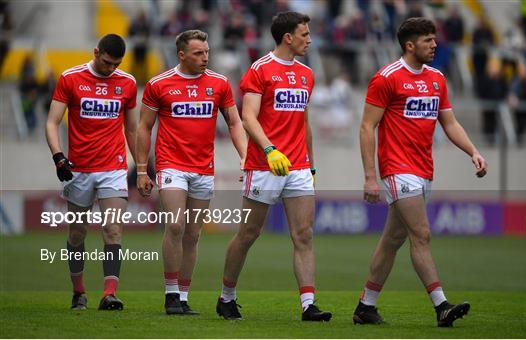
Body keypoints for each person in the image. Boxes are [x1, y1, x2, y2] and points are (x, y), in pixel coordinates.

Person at [355, 17, 487, 327]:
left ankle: (365, 306)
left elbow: (450, 123)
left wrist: (473, 151)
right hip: (398, 169)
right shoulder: (386, 78)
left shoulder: (437, 78)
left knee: (392, 240)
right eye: (428, 40)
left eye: (434, 38)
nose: (435, 44)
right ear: (410, 45)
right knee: (421, 235)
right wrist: (370, 176)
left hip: (424, 169)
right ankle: (441, 305)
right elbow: (366, 126)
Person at [215, 11, 332, 322]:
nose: (309, 39)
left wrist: (312, 166)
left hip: (297, 167)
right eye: (305, 35)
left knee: (304, 235)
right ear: (288, 38)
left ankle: (309, 304)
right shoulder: (259, 70)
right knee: (249, 234)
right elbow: (248, 117)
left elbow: (304, 122)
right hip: (264, 164)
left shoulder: (307, 74)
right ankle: (226, 296)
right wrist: (269, 150)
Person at [136, 29, 246, 315]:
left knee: (193, 235)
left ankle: (183, 296)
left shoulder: (220, 84)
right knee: (175, 225)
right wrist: (140, 170)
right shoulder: (159, 84)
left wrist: (245, 155)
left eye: (207, 52)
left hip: (203, 168)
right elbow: (144, 127)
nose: (205, 58)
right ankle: (170, 294)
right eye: (198, 53)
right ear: (182, 55)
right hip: (171, 165)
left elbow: (234, 122)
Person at [45, 34, 138, 311]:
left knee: (112, 230)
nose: (111, 69)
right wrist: (58, 157)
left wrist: (142, 167)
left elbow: (131, 129)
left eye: (116, 64)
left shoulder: (128, 83)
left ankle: (109, 294)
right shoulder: (70, 78)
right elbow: (52, 122)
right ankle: (79, 291)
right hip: (79, 169)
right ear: (96, 52)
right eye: (107, 62)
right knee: (78, 233)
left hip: (114, 167)